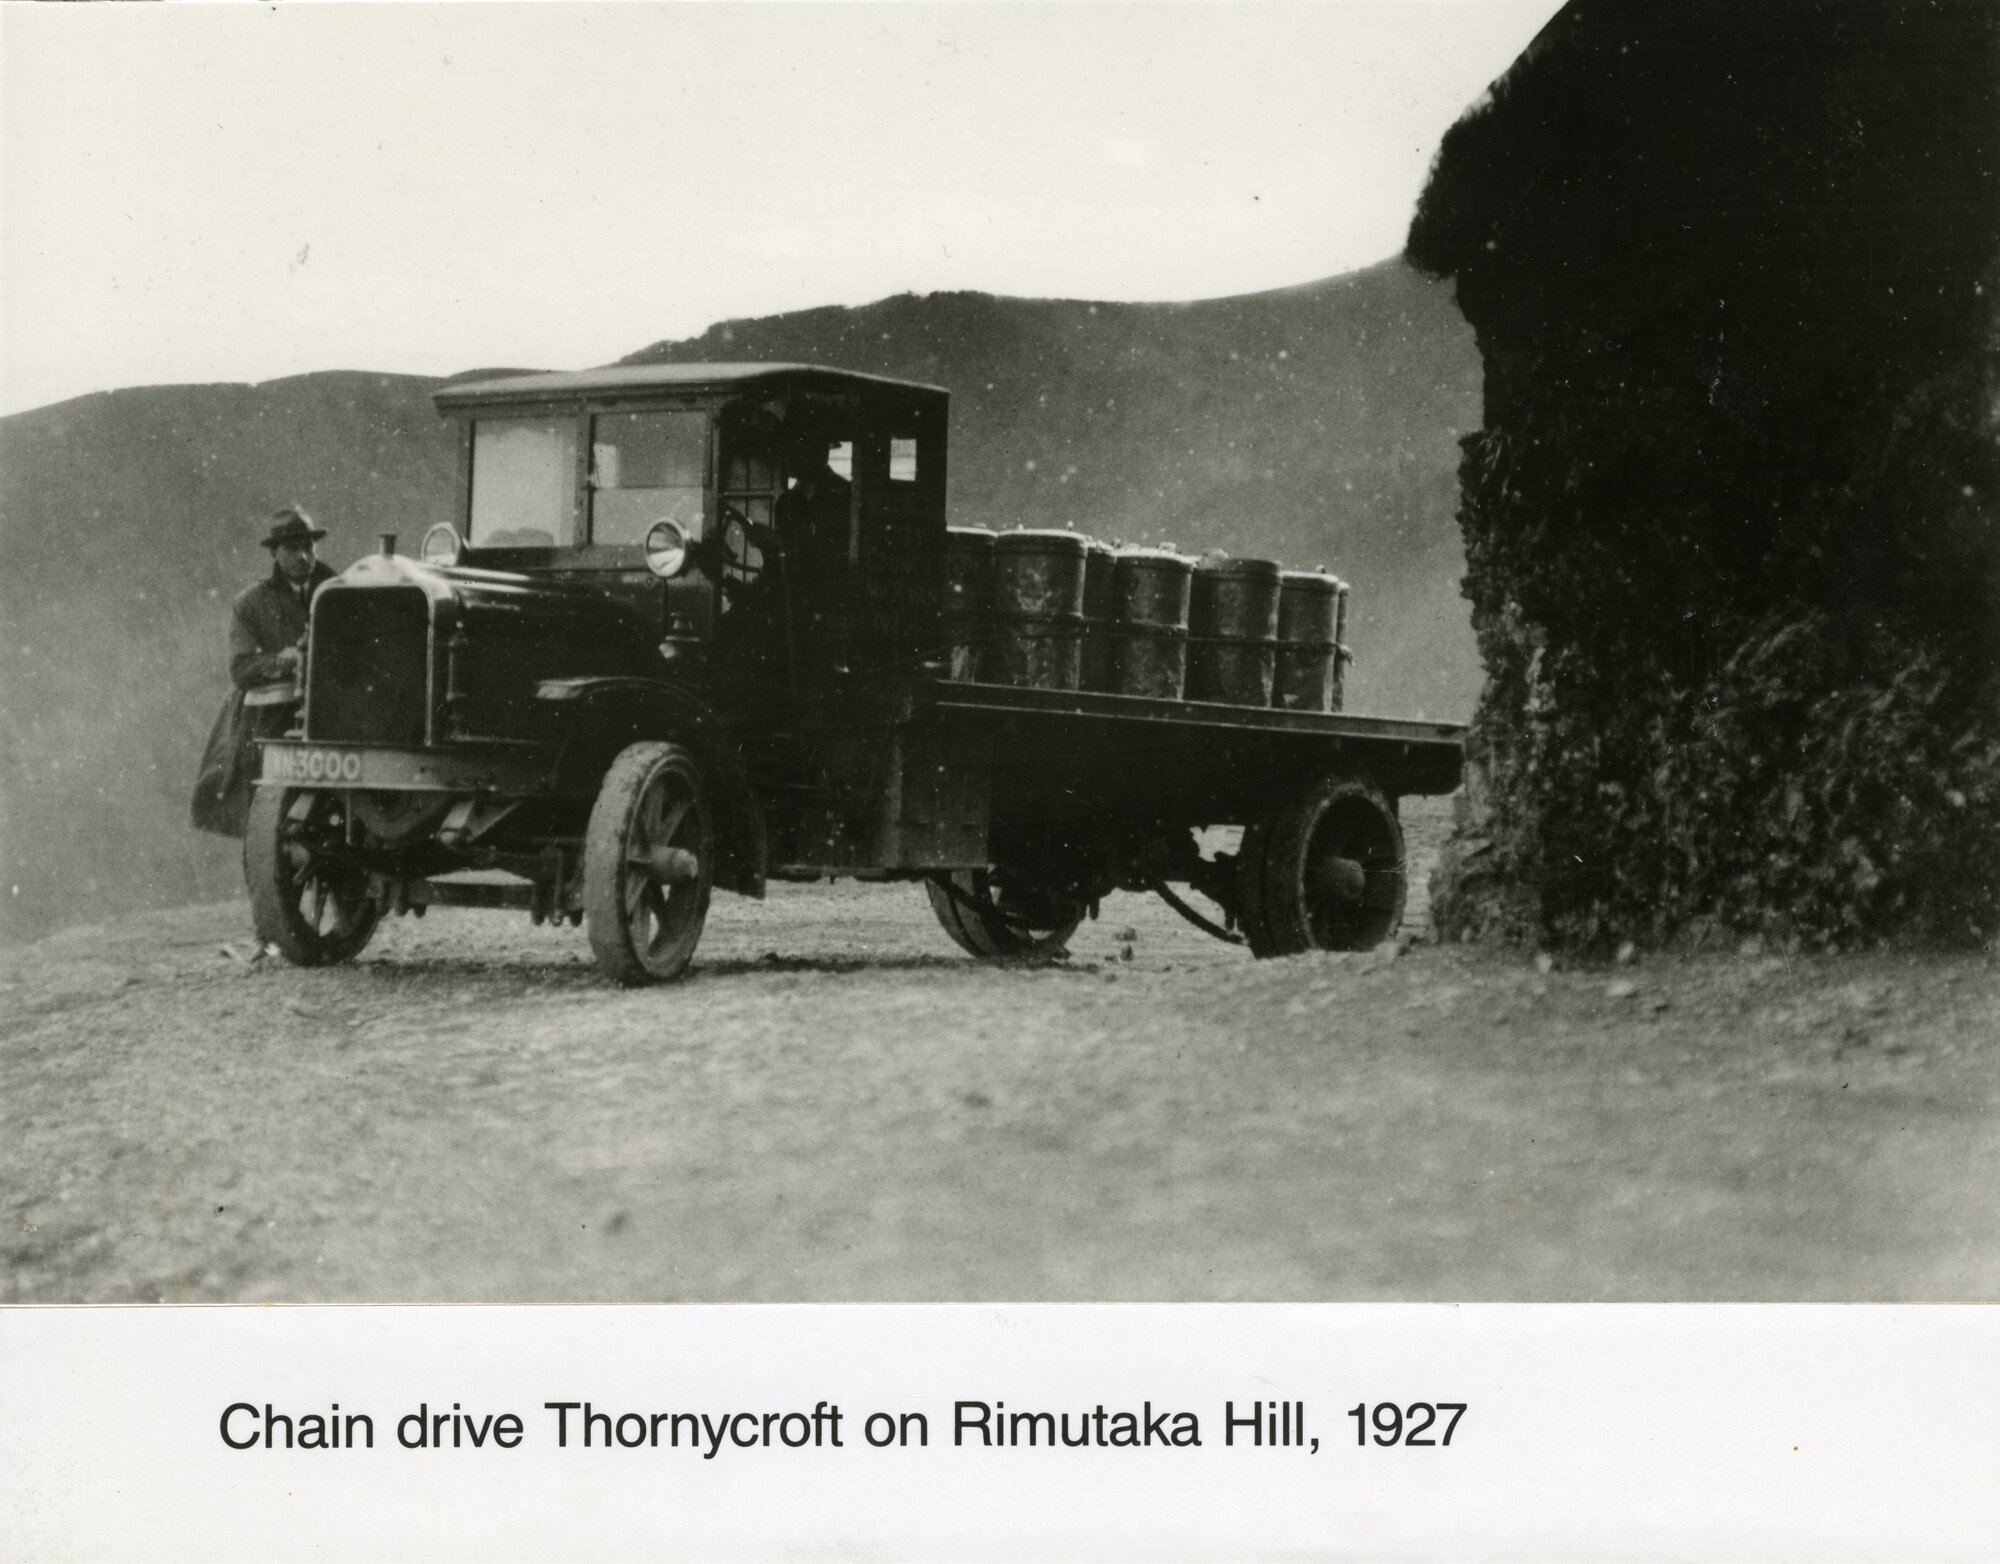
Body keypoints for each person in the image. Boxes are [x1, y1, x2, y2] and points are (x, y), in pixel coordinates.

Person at [190, 507, 337, 837]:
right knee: (264, 802)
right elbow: (241, 668)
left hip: (334, 713)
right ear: (274, 553)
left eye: (308, 546)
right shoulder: (251, 603)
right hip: (276, 717)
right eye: (291, 548)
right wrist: (281, 661)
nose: (302, 556)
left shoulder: (341, 592)